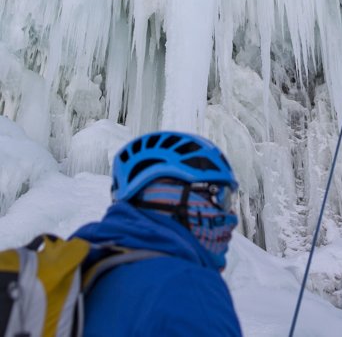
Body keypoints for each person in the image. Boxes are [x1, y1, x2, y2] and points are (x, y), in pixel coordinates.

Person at [72, 131, 243, 336]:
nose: (232, 218)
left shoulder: (81, 270)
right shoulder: (188, 287)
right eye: (223, 198)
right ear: (172, 198)